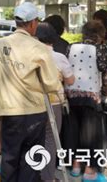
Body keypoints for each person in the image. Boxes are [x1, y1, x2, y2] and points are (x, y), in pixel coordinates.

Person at [0, 2, 61, 181]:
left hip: (8, 111)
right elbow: (51, 84)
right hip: (33, 112)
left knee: (9, 158)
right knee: (31, 161)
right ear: (33, 23)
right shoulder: (38, 47)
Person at [64, 20, 107, 181]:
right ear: (101, 35)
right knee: (90, 134)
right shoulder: (102, 48)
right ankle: (89, 171)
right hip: (91, 95)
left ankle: (76, 166)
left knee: (74, 130)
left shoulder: (71, 46)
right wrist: (104, 92)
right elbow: (106, 73)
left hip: (71, 94)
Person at [36, 22, 75, 181]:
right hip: (54, 103)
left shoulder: (30, 56)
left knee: (34, 139)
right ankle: (48, 177)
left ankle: (33, 175)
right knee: (51, 140)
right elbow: (71, 80)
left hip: (32, 103)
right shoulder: (59, 57)